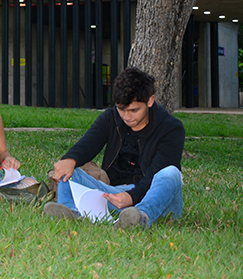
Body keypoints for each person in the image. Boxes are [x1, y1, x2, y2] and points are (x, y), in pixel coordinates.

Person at [43, 67, 185, 229]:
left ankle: (139, 217)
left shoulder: (171, 128)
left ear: (150, 101)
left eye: (133, 110)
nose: (126, 116)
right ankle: (71, 212)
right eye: (121, 109)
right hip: (113, 194)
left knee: (171, 173)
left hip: (155, 196)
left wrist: (132, 197)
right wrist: (70, 159)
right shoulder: (111, 118)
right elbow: (89, 143)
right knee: (69, 170)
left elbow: (155, 174)